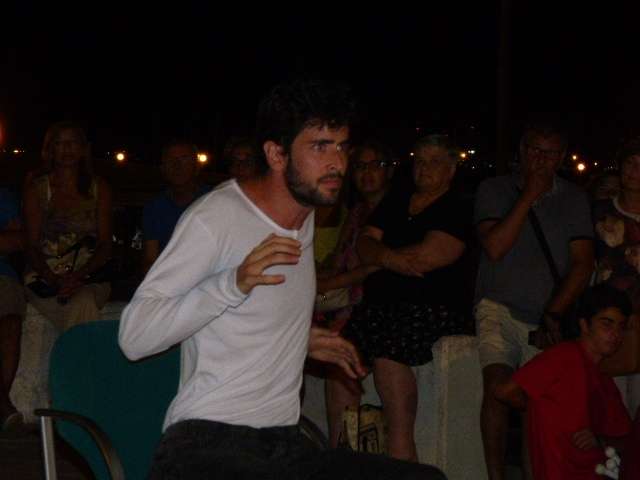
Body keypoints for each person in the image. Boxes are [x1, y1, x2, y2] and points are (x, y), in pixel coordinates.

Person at [119, 79, 445, 479]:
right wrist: (232, 283)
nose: (338, 163)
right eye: (320, 147)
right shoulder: (215, 218)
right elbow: (135, 336)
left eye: (341, 146)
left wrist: (299, 338)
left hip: (282, 444)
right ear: (276, 153)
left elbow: (254, 316)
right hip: (205, 442)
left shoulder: (304, 216)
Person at [474, 117, 594, 479]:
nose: (541, 160)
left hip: (546, 313)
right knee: (497, 387)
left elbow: (582, 262)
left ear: (562, 157)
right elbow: (495, 246)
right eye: (535, 151)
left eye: (550, 153)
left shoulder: (574, 198)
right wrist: (528, 195)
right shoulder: (494, 189)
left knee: (536, 404)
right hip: (498, 305)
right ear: (522, 152)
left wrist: (554, 313)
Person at [344, 134, 469, 461]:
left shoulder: (457, 206)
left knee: (388, 353)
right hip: (379, 306)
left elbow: (428, 256)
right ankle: (342, 455)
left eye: (434, 161)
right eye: (420, 161)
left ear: (451, 169)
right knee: (339, 357)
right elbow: (364, 244)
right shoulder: (398, 200)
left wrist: (382, 256)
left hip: (430, 309)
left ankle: (403, 456)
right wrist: (391, 259)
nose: (424, 168)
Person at [494, 284, 632, 480]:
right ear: (585, 325)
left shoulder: (606, 382)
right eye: (607, 324)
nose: (615, 334)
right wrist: (537, 408)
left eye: (621, 327)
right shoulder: (564, 356)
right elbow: (504, 391)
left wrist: (600, 440)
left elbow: (629, 440)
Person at [316, 139, 393, 447]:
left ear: (389, 170)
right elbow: (339, 260)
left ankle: (346, 453)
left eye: (375, 165)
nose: (367, 173)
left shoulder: (396, 208)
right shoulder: (357, 212)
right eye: (360, 166)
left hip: (372, 303)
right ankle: (339, 449)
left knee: (340, 363)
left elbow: (378, 265)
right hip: (342, 300)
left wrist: (330, 284)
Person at [23, 121, 112, 331]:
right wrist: (54, 279)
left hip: (90, 274)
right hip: (44, 277)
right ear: (51, 149)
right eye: (60, 143)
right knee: (81, 307)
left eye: (73, 142)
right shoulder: (37, 190)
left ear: (83, 149)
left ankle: (77, 352)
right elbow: (31, 245)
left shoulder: (99, 189)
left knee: (83, 300)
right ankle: (83, 353)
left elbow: (105, 243)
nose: (67, 148)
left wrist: (79, 276)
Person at [142, 139, 210, 274]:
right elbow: (150, 258)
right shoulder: (155, 208)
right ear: (163, 168)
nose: (177, 166)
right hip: (168, 277)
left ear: (197, 166)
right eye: (170, 160)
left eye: (184, 159)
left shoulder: (213, 202)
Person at [0, 188, 25, 428]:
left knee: (11, 321)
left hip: (2, 275)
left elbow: (17, 240)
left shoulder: (4, 196)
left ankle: (1, 402)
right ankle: (2, 406)